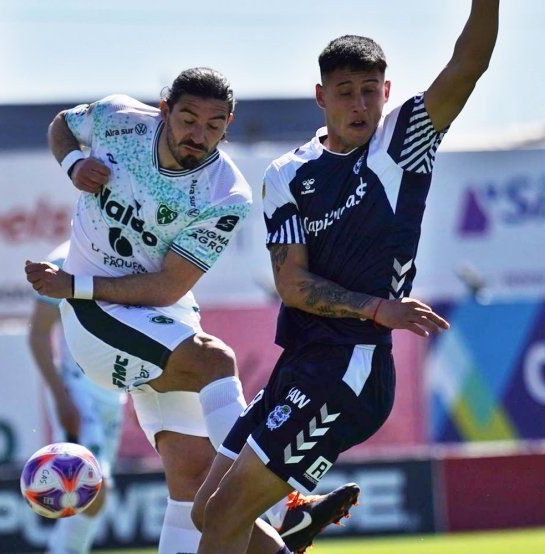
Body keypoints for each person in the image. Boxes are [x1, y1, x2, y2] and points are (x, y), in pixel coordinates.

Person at [193, 3, 500, 553]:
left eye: (370, 90)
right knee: (206, 511)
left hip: (351, 367)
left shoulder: (402, 145)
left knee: (222, 520)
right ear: (320, 97)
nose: (360, 105)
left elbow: (468, 62)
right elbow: (293, 284)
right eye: (344, 92)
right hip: (302, 361)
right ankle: (294, 539)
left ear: (388, 91)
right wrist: (379, 305)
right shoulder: (288, 173)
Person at [25, 67, 351, 553]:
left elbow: (167, 286)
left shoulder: (227, 193)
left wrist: (73, 282)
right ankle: (283, 507)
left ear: (228, 124)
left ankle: (281, 540)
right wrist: (73, 161)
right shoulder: (118, 118)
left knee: (196, 484)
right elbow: (62, 125)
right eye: (188, 119)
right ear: (163, 111)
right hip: (95, 319)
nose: (199, 135)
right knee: (214, 360)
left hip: (151, 308)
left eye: (214, 125)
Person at [28, 240, 127, 553]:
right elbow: (38, 334)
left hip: (114, 393)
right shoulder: (62, 260)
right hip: (79, 391)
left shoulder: (133, 249)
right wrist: (61, 398)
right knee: (92, 487)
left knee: (94, 492)